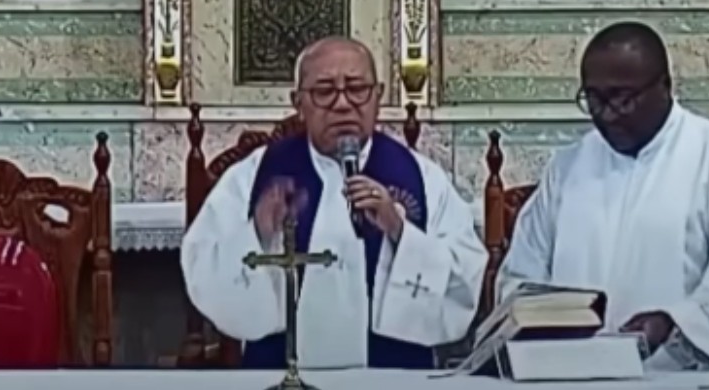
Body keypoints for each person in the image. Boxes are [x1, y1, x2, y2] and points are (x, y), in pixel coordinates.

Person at [181, 37, 486, 369]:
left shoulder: (423, 178)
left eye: (357, 88)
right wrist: (257, 229)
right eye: (324, 91)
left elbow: (465, 277)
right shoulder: (254, 176)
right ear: (298, 102)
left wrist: (399, 230)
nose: (343, 104)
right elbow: (203, 266)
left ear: (378, 97)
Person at [498, 22, 709, 371]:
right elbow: (520, 275)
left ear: (665, 86)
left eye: (622, 98)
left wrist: (673, 323)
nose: (605, 114)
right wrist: (541, 318)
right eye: (593, 98)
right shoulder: (567, 168)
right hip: (566, 379)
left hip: (676, 383)